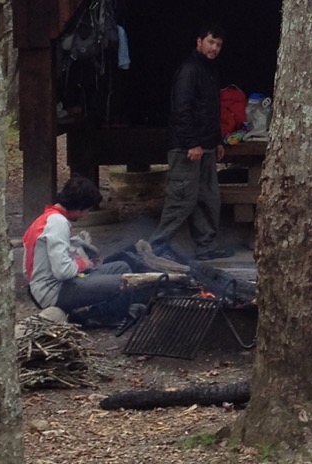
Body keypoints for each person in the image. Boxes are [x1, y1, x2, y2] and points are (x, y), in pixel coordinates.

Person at [150, 22, 232, 261]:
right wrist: (191, 143)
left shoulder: (211, 71)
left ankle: (206, 245)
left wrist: (217, 141)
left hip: (206, 146)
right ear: (199, 42)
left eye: (218, 44)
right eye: (210, 42)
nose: (214, 48)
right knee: (181, 199)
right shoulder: (189, 70)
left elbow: (211, 110)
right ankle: (157, 246)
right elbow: (181, 110)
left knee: (208, 198)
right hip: (187, 148)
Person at [23, 174, 137, 325]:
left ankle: (100, 311)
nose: (86, 215)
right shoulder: (58, 223)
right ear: (79, 206)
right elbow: (62, 271)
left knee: (121, 267)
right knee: (123, 282)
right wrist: (84, 264)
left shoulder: (49, 218)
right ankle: (98, 317)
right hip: (54, 291)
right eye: (87, 210)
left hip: (55, 285)